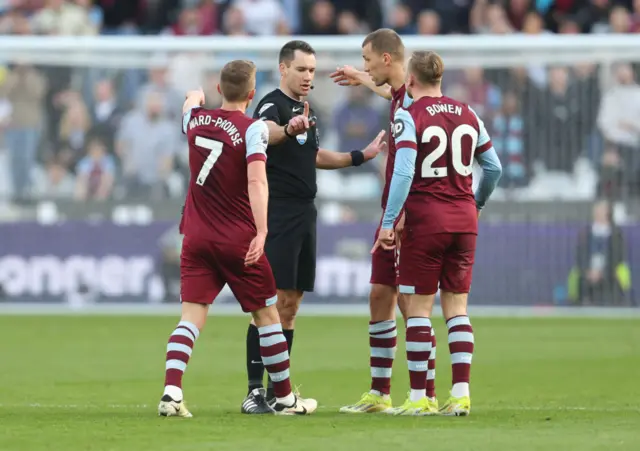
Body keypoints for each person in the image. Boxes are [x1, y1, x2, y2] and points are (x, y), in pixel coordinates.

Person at [158, 60, 317, 417]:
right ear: (252, 93)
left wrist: (193, 95)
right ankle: (288, 399)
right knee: (267, 314)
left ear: (218, 89)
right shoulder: (251, 129)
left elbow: (189, 104)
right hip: (237, 239)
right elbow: (258, 181)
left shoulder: (196, 120)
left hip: (195, 237)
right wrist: (261, 231)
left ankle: (171, 393)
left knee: (191, 318)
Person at [242, 40, 386, 412]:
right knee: (267, 304)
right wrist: (287, 130)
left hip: (306, 212)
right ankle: (254, 390)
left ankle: (279, 390)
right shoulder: (272, 104)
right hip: (277, 213)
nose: (309, 77)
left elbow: (314, 155)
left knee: (290, 305)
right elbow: (262, 134)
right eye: (302, 69)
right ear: (284, 68)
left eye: (312, 71)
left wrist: (360, 157)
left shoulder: (310, 109)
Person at [373, 51, 502, 416]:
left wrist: (388, 221)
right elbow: (493, 168)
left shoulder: (408, 115)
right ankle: (460, 395)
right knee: (457, 308)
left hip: (426, 220)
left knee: (418, 308)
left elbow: (402, 172)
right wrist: (474, 204)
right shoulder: (469, 113)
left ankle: (419, 400)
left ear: (410, 81)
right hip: (464, 219)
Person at [331, 29, 439, 414]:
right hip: (391, 215)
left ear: (388, 59)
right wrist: (361, 78)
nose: (365, 66)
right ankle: (379, 392)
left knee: (412, 304)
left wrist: (399, 215)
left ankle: (425, 394)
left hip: (409, 215)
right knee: (380, 294)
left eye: (367, 60)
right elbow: (388, 92)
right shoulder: (401, 93)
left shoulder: (415, 97)